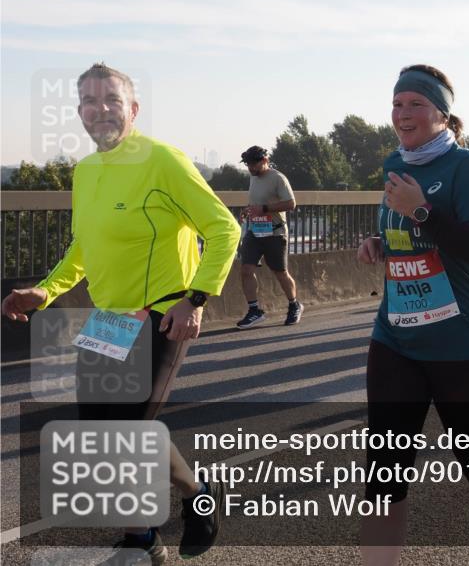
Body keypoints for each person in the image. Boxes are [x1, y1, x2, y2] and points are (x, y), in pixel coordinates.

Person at [2, 63, 241, 565]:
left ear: (133, 109)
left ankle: (144, 539)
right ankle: (182, 506)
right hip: (108, 319)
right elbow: (83, 247)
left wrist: (194, 299)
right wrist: (45, 292)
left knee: (129, 432)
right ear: (79, 112)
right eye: (88, 101)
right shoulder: (86, 171)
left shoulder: (162, 160)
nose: (99, 109)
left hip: (162, 313)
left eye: (111, 99)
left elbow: (224, 229)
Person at [355, 64, 469, 566]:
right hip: (397, 338)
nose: (402, 114)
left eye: (415, 104)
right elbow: (407, 232)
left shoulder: (468, 167)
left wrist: (421, 209)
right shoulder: (392, 163)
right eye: (397, 103)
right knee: (384, 466)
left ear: (441, 113)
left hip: (464, 344)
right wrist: (381, 242)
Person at [235, 145, 302, 328]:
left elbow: (291, 203)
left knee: (280, 273)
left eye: (253, 164)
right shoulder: (253, 177)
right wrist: (248, 211)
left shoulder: (278, 178)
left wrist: (264, 209)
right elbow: (257, 201)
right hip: (255, 231)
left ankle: (294, 304)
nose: (250, 168)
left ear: (265, 160)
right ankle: (254, 310)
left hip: (275, 232)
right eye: (248, 165)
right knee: (246, 269)